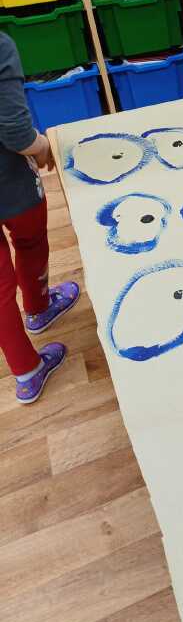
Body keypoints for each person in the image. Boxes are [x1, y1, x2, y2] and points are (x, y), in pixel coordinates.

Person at [0, 21, 79, 404]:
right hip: (8, 181)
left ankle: (26, 372)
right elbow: (16, 133)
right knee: (30, 240)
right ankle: (38, 307)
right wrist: (43, 146)